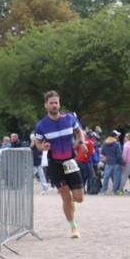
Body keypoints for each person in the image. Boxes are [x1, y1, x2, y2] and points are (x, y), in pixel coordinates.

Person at [33, 91, 85, 238]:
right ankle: (73, 226)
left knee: (79, 198)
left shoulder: (69, 118)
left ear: (59, 103)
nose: (54, 105)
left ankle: (71, 205)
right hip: (54, 163)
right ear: (46, 105)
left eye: (56, 102)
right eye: (51, 103)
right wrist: (42, 147)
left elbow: (79, 132)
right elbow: (37, 143)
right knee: (65, 196)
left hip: (70, 161)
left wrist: (80, 142)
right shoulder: (41, 125)